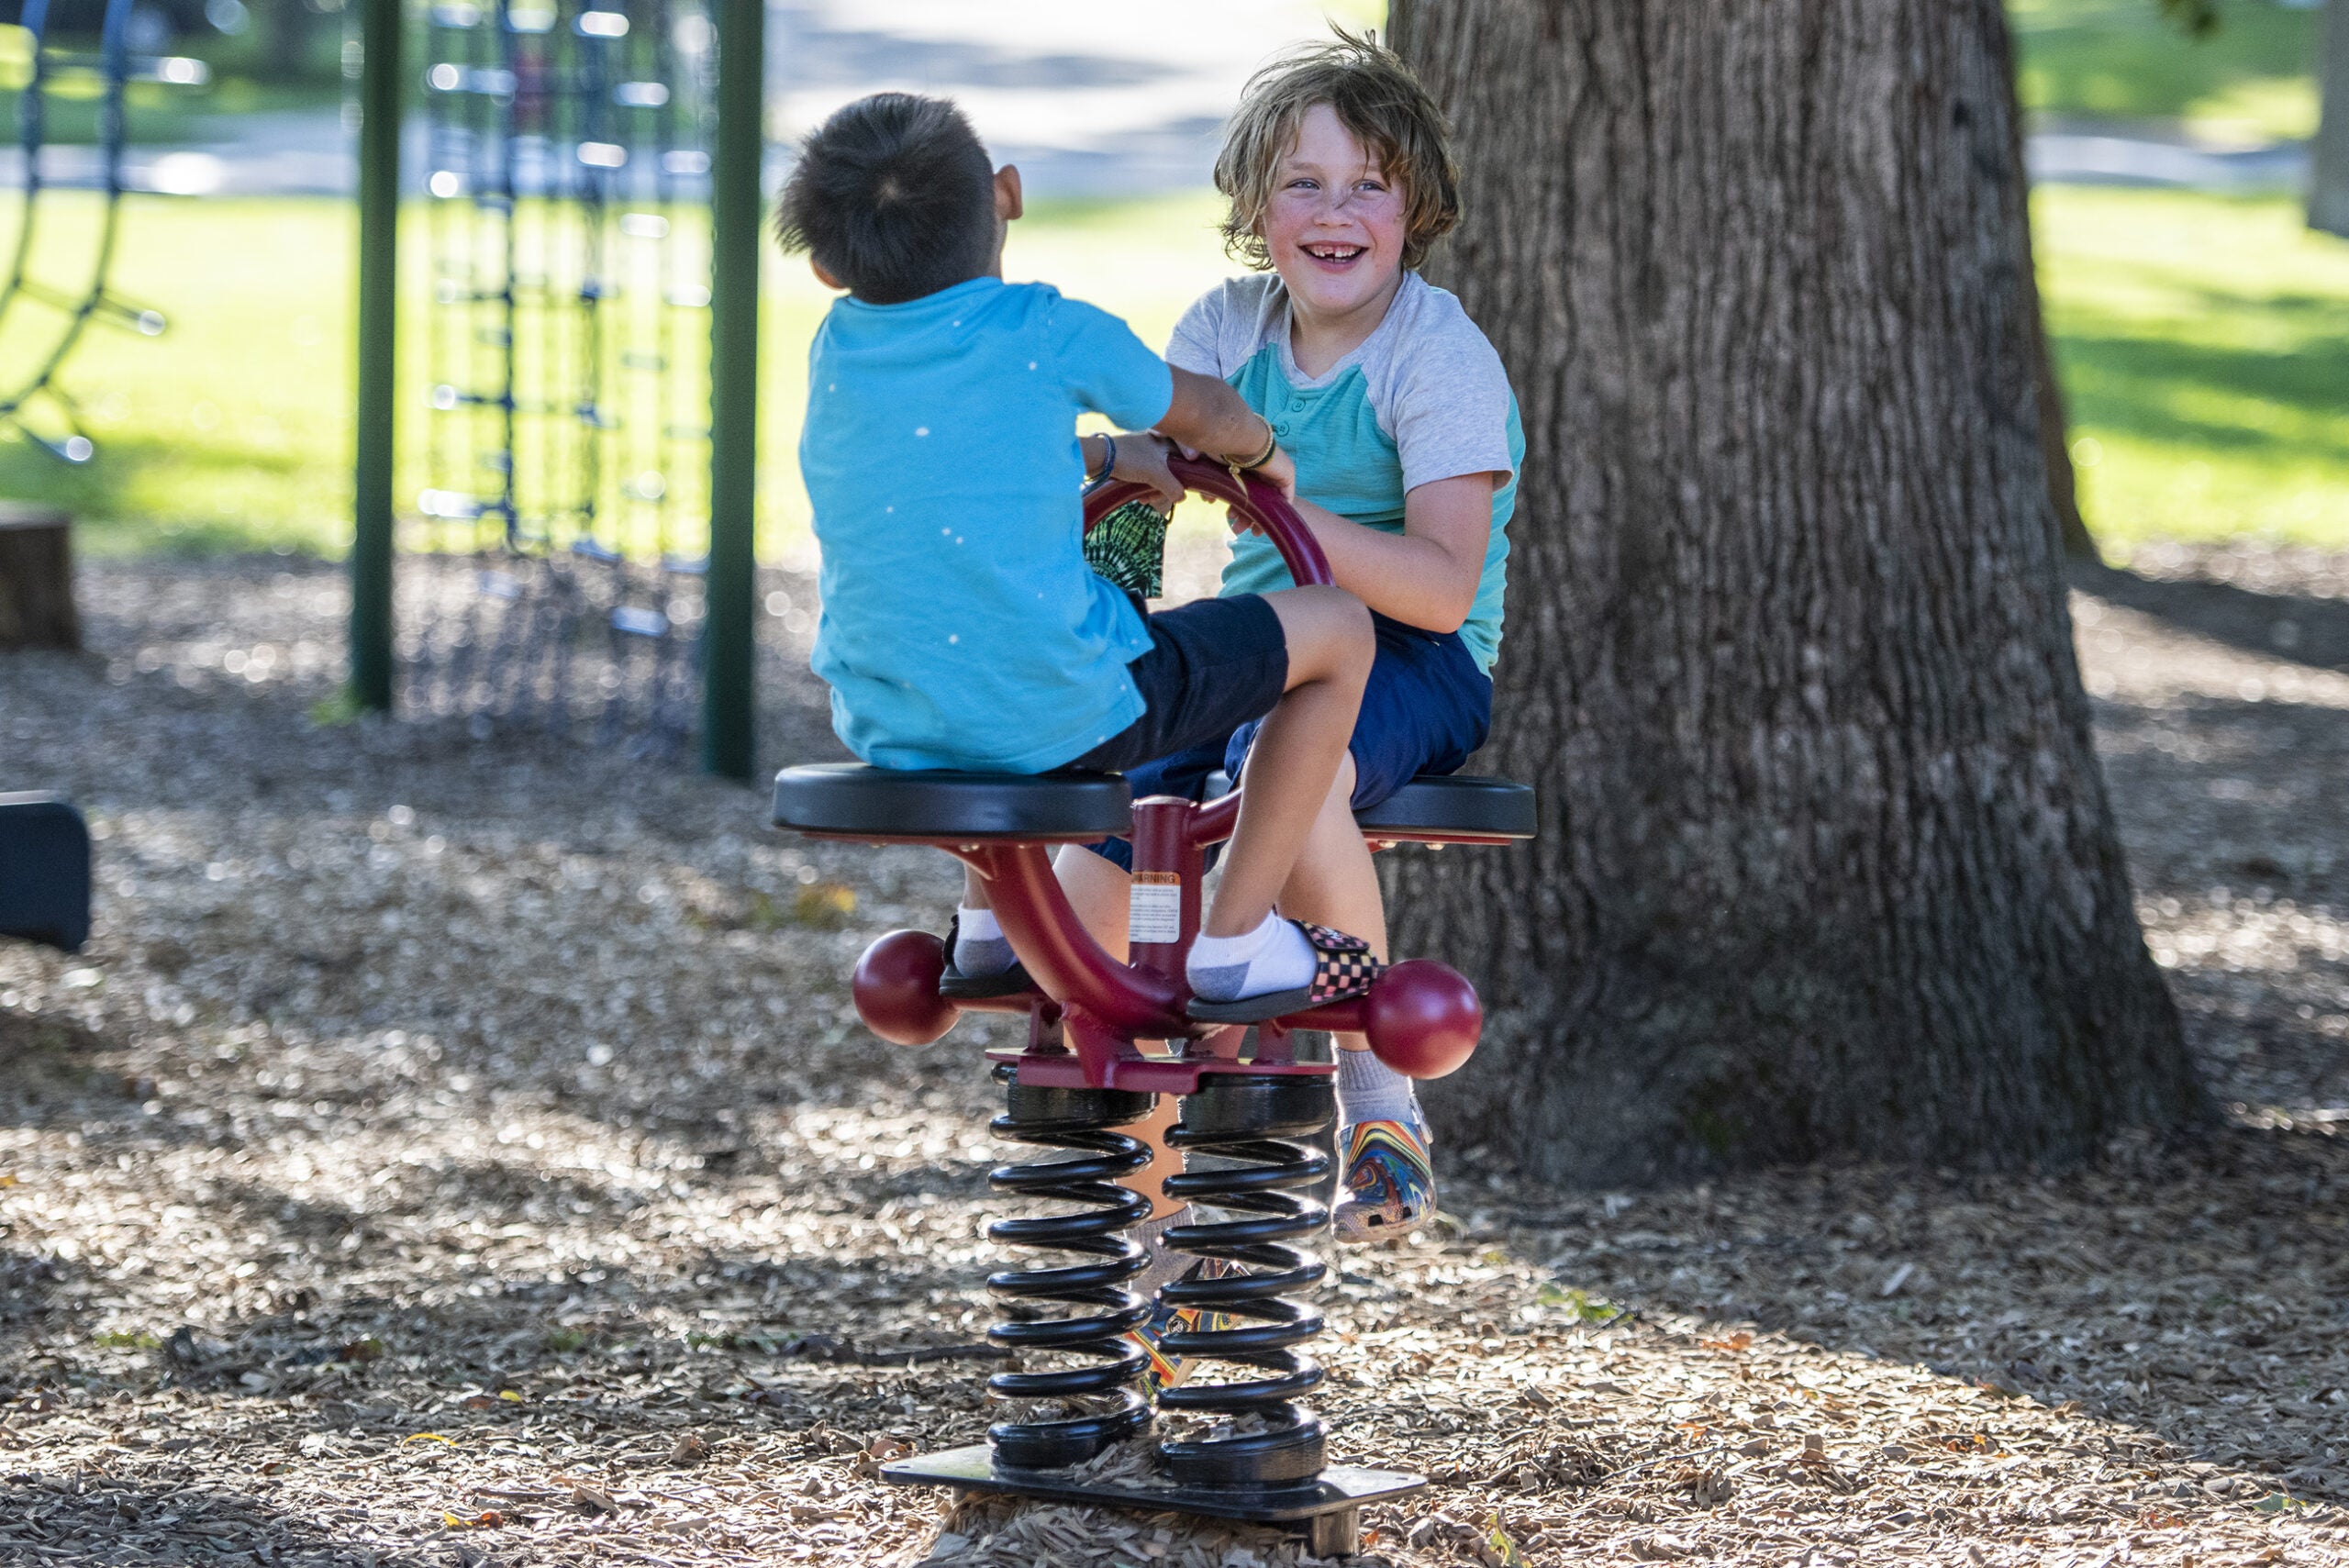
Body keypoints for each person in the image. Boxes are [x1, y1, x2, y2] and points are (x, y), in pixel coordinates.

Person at [1008, 32, 1528, 1270]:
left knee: (1278, 752)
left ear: (1417, 207)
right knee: (1114, 795)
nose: (1335, 212)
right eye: (1304, 183)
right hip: (1265, 638)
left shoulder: (1435, 355)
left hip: (1410, 660)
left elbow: (1446, 590)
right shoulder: (1228, 327)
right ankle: (1140, 1187)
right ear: (1254, 206)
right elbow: (1150, 493)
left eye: (1367, 186)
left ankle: (1376, 1095)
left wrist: (1286, 490)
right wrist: (1116, 515)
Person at [777, 91, 1386, 1042]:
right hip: (1066, 713)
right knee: (1336, 628)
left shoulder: (835, 351)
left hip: (888, 723)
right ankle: (1238, 936)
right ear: (1006, 195)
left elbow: (953, 465)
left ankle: (986, 929)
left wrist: (1104, 460)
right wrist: (1262, 451)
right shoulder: (1047, 327)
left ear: (822, 265)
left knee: (968, 642)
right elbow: (1204, 416)